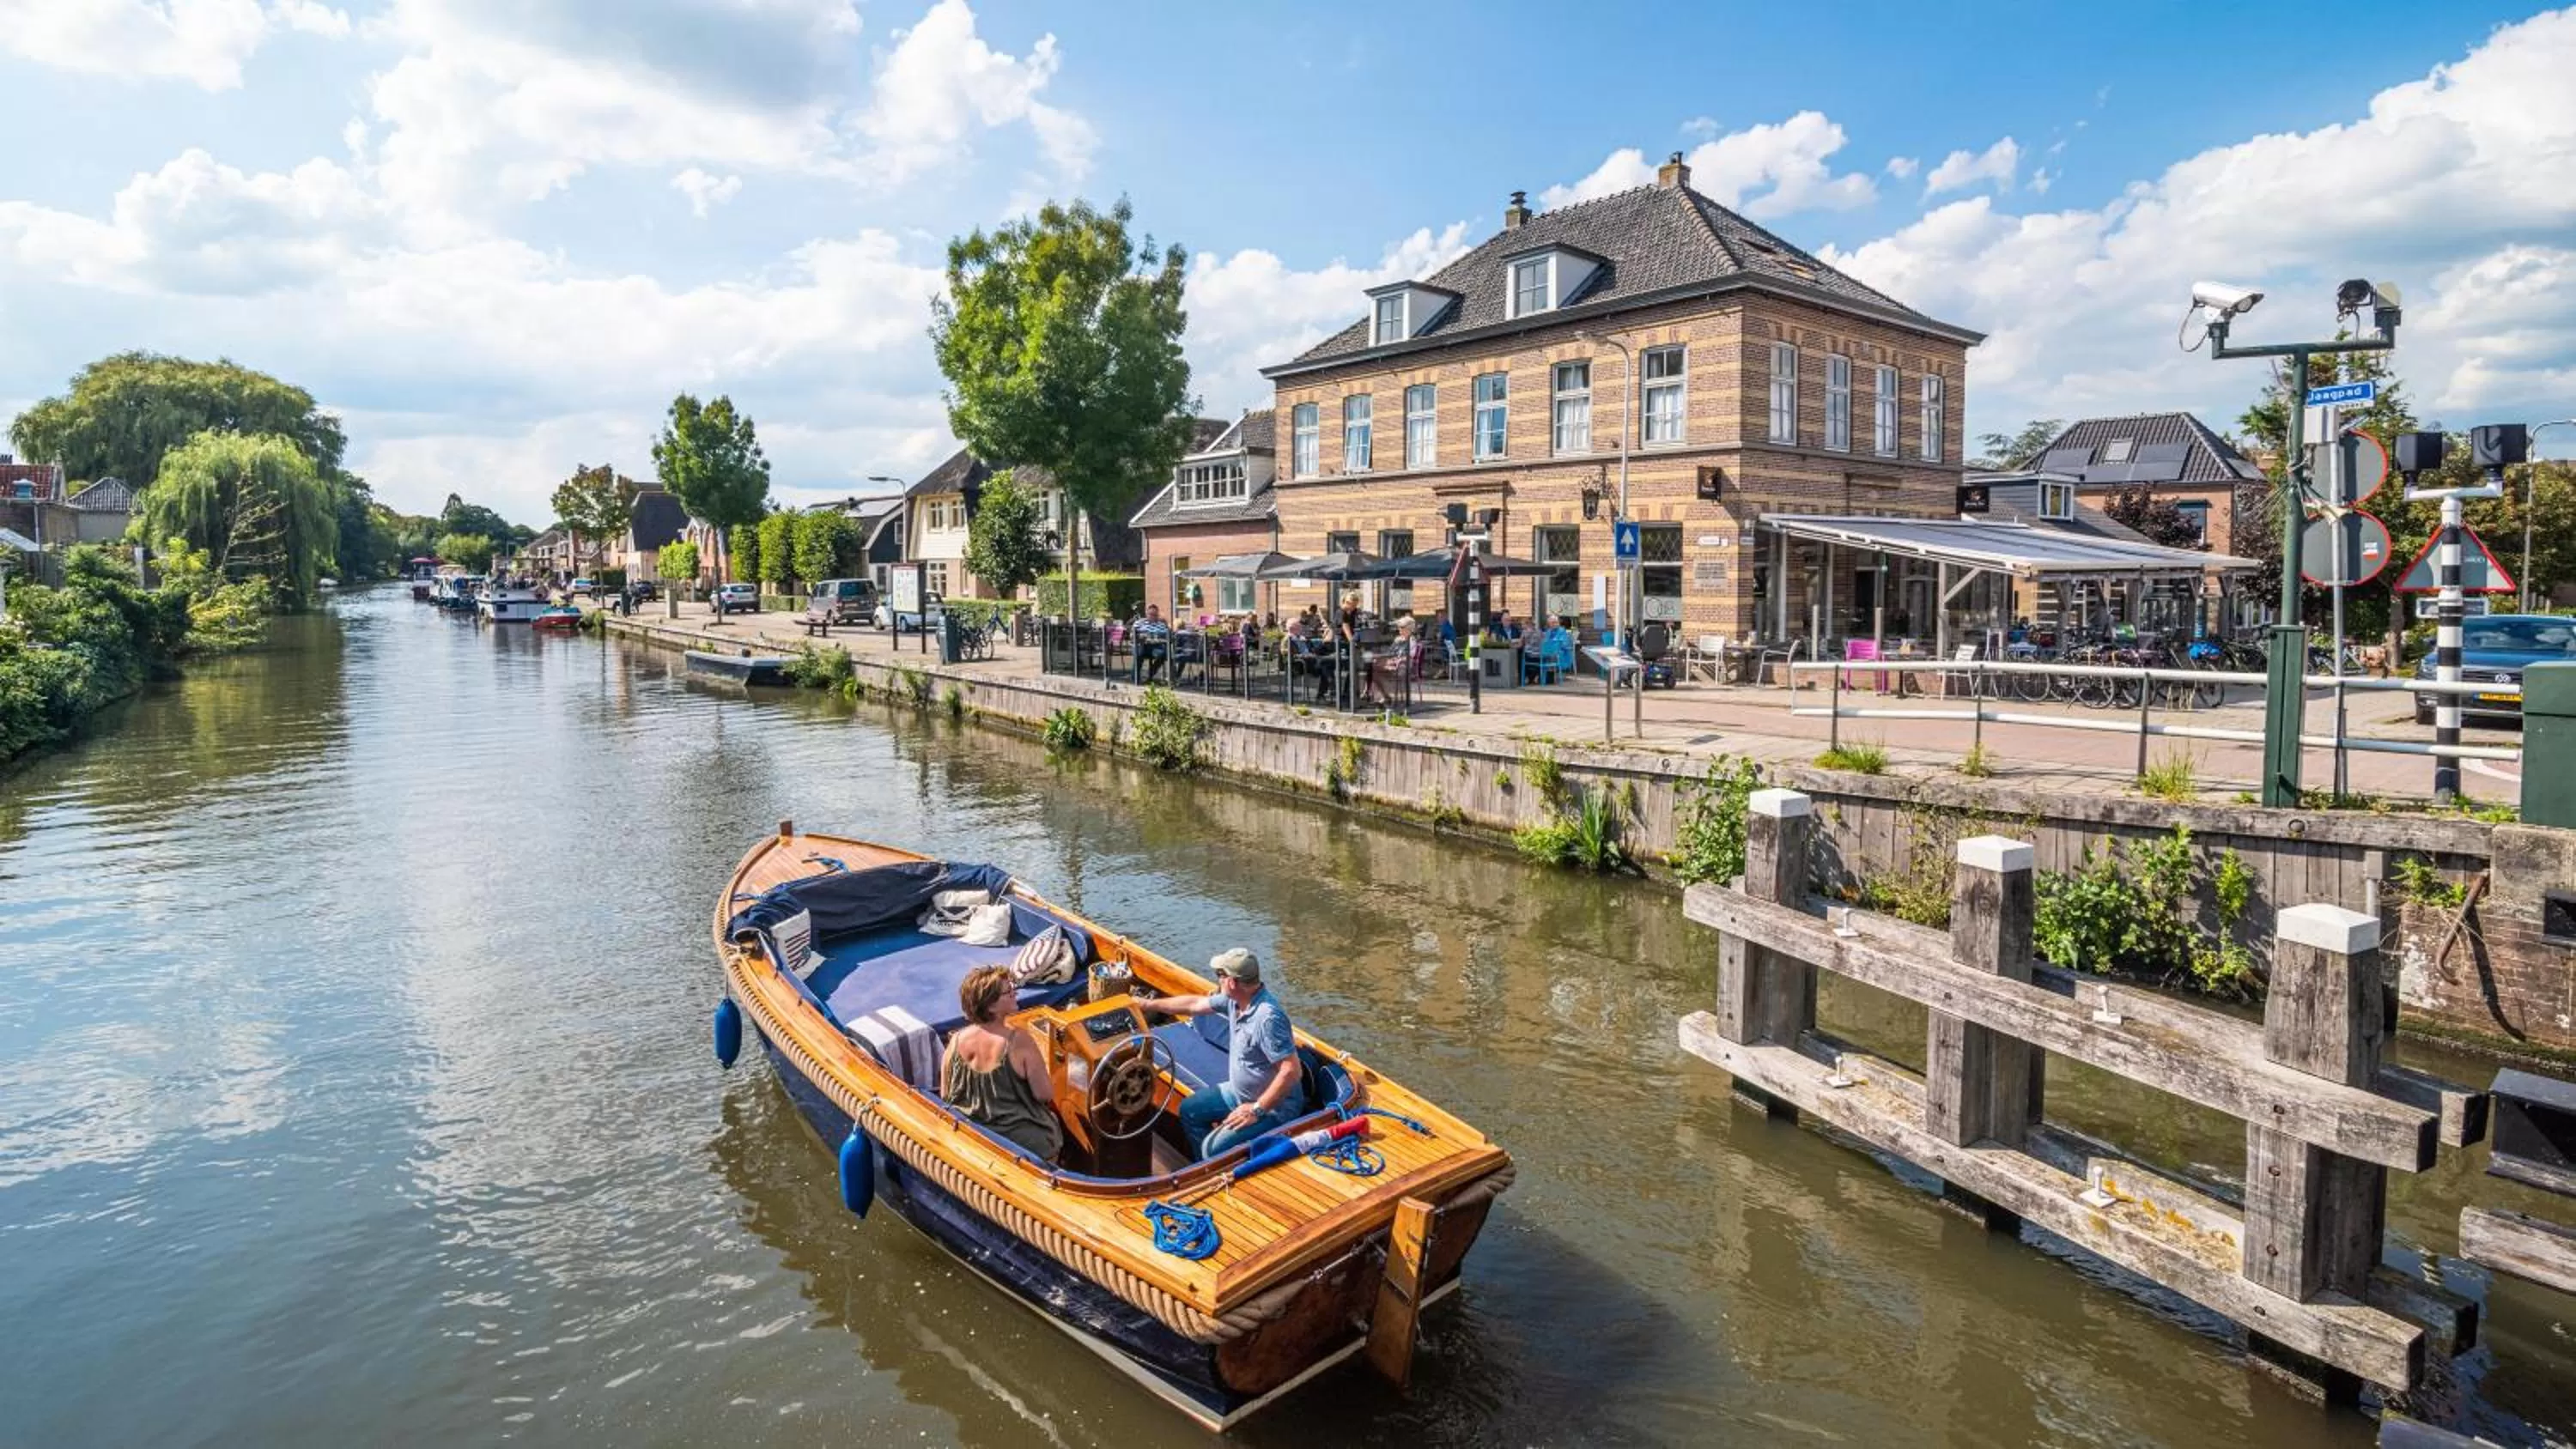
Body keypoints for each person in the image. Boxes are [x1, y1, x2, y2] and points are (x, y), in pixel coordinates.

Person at [1142, 949, 1306, 1159]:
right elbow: (1194, 1004)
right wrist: (1147, 1004)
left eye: (1220, 975)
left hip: (1275, 1107)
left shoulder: (1268, 1019)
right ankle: (1205, 1168)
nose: (1217, 980)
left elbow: (1292, 1070)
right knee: (1190, 1111)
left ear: (1231, 982)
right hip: (1240, 1093)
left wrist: (1256, 1110)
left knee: (1212, 1149)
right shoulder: (1234, 1000)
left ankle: (1216, 1170)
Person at [941, 965, 1062, 1161]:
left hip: (973, 1137)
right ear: (991, 1006)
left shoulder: (955, 1041)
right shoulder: (1018, 1041)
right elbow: (1044, 1094)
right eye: (1008, 992)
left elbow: (946, 1094)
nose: (1015, 993)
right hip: (1022, 1144)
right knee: (1055, 1123)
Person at [1132, 603, 1172, 682]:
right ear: (1147, 614)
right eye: (1151, 614)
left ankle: (1151, 673)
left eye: (1155, 615)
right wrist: (1140, 637)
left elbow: (1168, 635)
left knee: (1165, 653)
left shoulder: (1162, 625)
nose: (1153, 617)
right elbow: (1132, 636)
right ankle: (1135, 678)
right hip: (1142, 646)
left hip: (1156, 647)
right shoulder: (1139, 623)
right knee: (1139, 652)